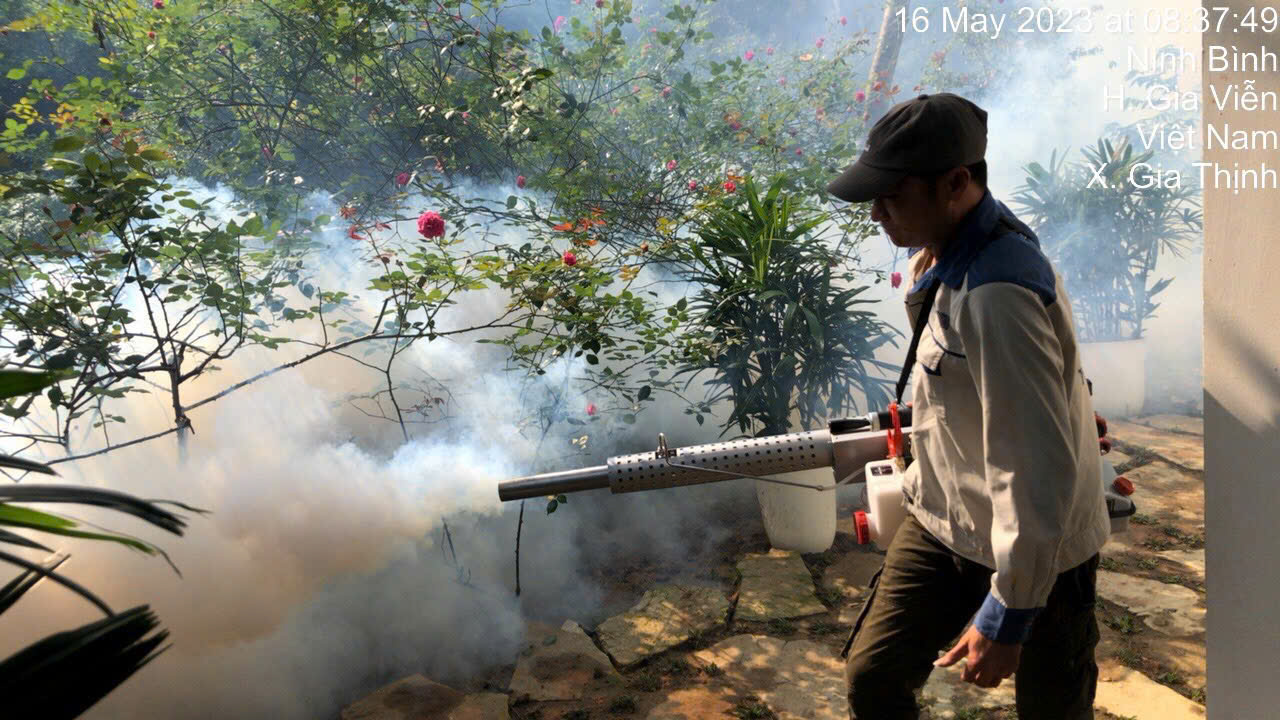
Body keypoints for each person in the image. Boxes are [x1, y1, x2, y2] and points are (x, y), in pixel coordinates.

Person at [825, 92, 1111, 720]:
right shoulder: (943, 254)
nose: (876, 213)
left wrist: (1009, 613)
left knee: (1054, 709)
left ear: (956, 183)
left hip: (1041, 545)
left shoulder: (997, 291)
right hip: (944, 517)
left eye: (891, 195)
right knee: (874, 677)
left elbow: (1032, 470)